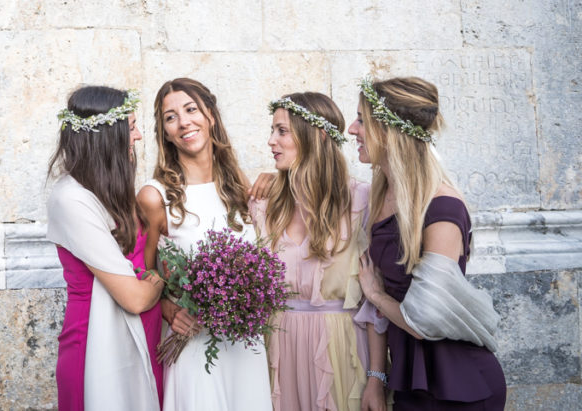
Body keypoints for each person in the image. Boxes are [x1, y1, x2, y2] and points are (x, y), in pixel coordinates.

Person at [351, 77, 506, 410]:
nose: (352, 129)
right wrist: (376, 379)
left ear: (387, 130)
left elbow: (423, 321)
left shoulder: (443, 209)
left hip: (459, 385)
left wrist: (374, 293)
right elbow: (380, 311)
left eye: (362, 120)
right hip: (408, 382)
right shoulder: (380, 198)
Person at [137, 78, 272, 411]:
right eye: (171, 117)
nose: (184, 122)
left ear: (210, 115)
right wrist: (170, 311)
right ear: (165, 132)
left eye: (191, 109)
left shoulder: (242, 188)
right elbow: (142, 271)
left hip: (246, 345)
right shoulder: (155, 196)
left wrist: (281, 177)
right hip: (193, 344)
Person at [252, 92, 371, 411]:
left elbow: (375, 300)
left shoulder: (360, 201)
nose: (270, 141)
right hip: (278, 347)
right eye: (272, 130)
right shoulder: (263, 206)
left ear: (317, 137)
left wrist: (377, 376)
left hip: (340, 346)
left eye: (281, 131)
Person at [47, 85, 164, 411]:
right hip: (97, 349)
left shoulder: (110, 191)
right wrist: (158, 278)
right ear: (105, 137)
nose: (139, 136)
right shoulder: (71, 199)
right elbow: (135, 297)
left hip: (145, 340)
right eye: (131, 127)